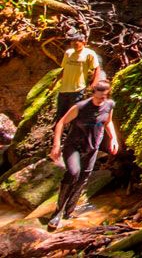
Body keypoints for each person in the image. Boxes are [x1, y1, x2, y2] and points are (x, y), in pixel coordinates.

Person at [48, 79, 119, 231]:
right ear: (93, 94)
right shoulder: (80, 107)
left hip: (92, 148)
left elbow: (108, 122)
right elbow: (61, 123)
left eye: (104, 97)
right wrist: (56, 146)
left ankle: (69, 212)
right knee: (74, 172)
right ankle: (58, 212)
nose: (101, 100)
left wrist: (113, 138)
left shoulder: (109, 105)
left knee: (83, 178)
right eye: (98, 97)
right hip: (74, 146)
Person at [55, 30, 102, 123]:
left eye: (76, 43)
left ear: (83, 42)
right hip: (64, 89)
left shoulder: (89, 54)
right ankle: (59, 130)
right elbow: (63, 69)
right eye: (72, 43)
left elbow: (97, 68)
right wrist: (55, 82)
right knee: (60, 114)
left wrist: (94, 84)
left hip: (78, 89)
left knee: (74, 115)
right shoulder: (68, 53)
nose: (74, 45)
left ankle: (72, 130)